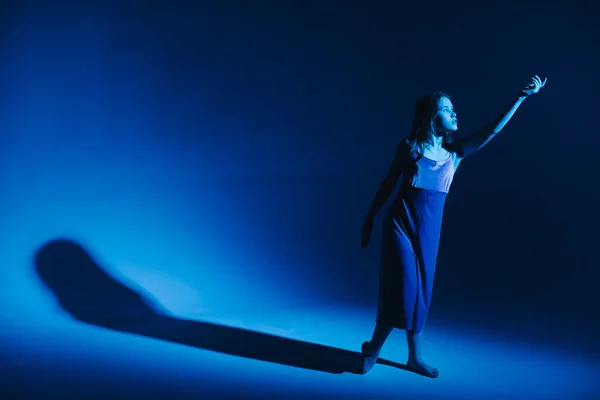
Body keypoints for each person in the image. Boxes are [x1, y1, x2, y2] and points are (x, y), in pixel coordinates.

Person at [359, 75, 547, 378]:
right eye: (447, 109)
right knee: (403, 289)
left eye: (453, 108)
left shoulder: (453, 155)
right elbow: (387, 184)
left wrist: (521, 98)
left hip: (429, 234)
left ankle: (413, 358)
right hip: (400, 227)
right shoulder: (410, 148)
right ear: (431, 116)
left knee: (422, 293)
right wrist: (370, 217)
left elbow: (492, 131)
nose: (454, 113)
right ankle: (374, 348)